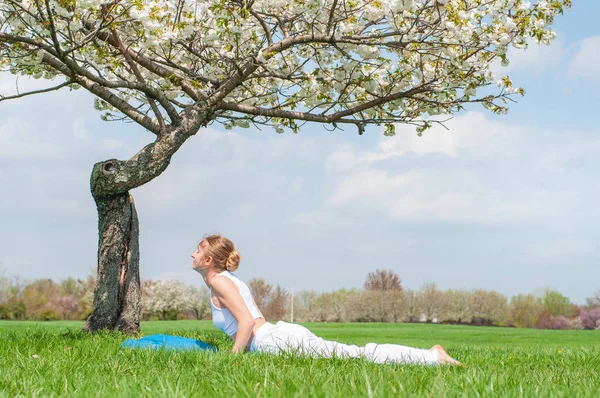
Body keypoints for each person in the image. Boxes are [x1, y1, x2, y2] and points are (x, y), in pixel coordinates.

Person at [192, 234, 461, 366]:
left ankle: (431, 356)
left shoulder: (219, 281)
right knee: (355, 355)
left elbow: (247, 321)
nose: (192, 254)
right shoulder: (225, 280)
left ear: (209, 260)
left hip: (273, 341)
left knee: (359, 355)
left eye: (198, 249)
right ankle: (429, 356)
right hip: (277, 337)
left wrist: (233, 358)